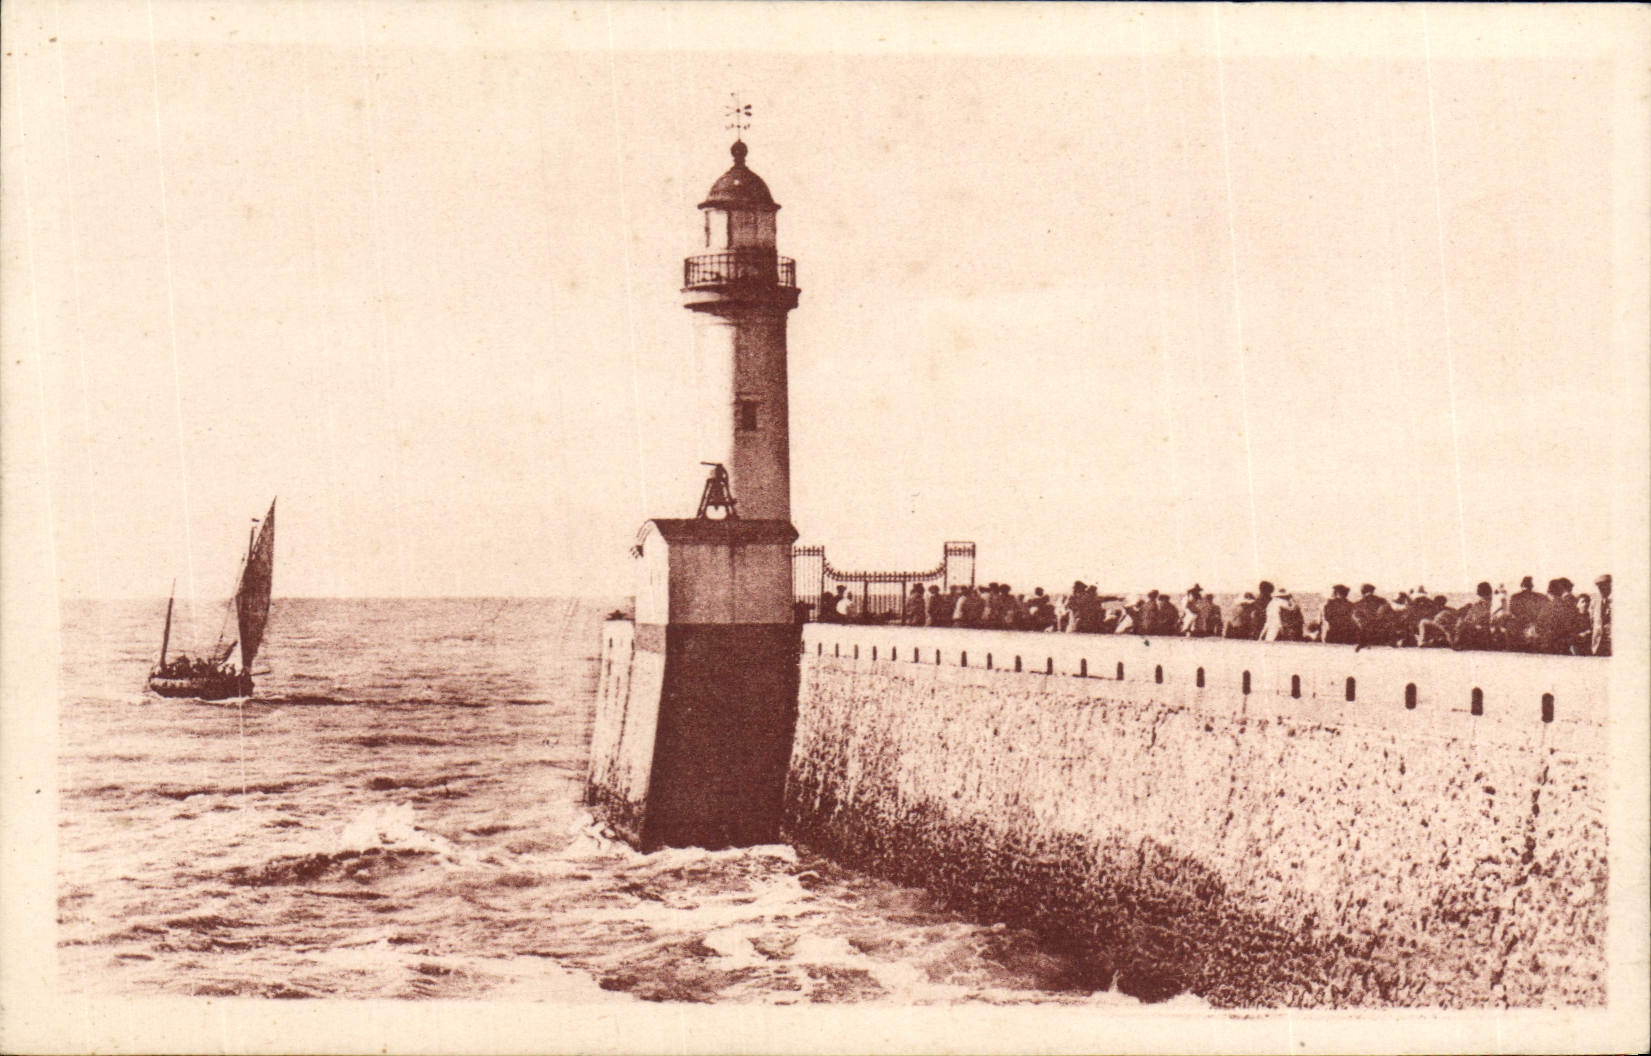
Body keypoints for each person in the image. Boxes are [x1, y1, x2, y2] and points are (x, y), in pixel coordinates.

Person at [1506, 576, 1544, 651]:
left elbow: (1512, 610)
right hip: (1534, 626)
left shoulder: (1515, 597)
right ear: (1532, 586)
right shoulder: (1538, 597)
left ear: (1522, 585)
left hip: (1518, 626)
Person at [1352, 584, 1394, 651]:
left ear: (1362, 592)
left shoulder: (1358, 604)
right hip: (1383, 637)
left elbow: (1356, 620)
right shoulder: (1383, 601)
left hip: (1366, 637)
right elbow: (1391, 616)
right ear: (1373, 591)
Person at [1592, 574, 1612, 657]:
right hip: (1598, 643)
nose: (1600, 589)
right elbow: (1592, 620)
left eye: (1603, 587)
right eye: (1599, 587)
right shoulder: (1596, 602)